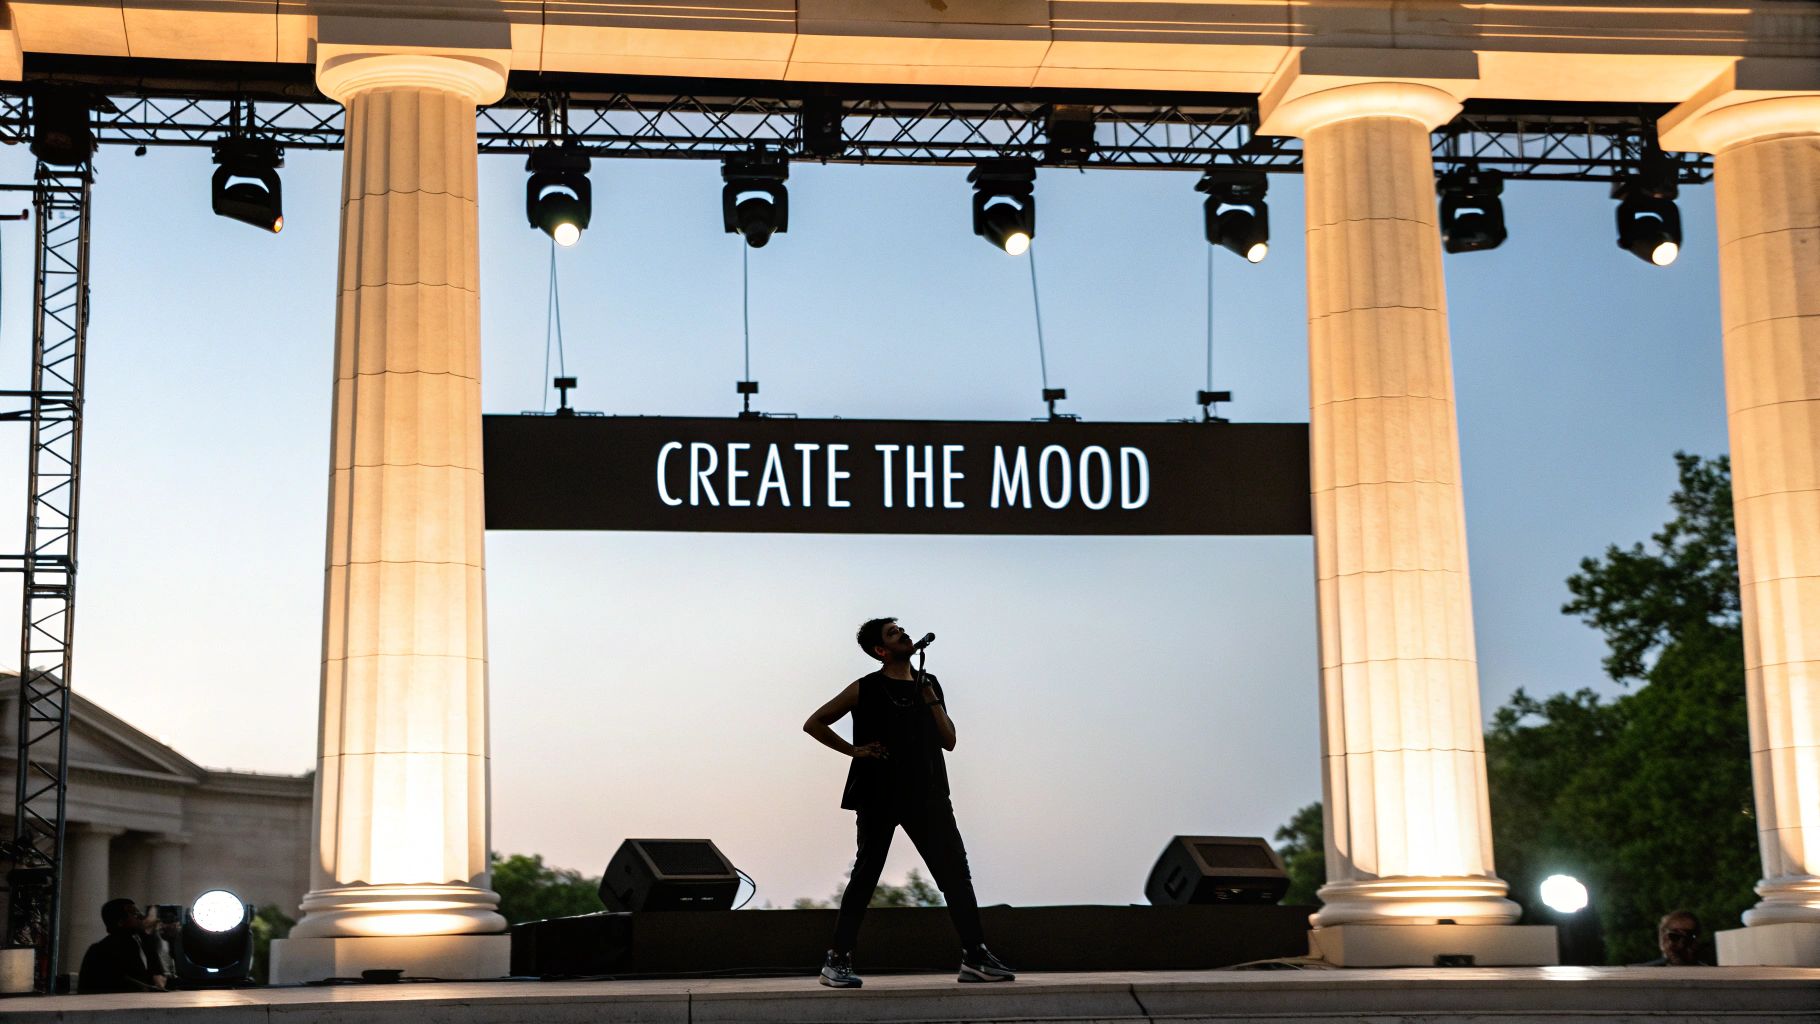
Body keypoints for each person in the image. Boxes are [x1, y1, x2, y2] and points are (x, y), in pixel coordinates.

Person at [803, 617, 1014, 988]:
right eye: (893, 633)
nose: (903, 634)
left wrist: (929, 694)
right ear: (880, 651)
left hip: (928, 793)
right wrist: (854, 750)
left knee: (955, 874)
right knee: (866, 874)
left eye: (901, 629)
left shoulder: (928, 684)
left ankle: (975, 957)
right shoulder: (865, 688)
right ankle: (836, 961)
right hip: (879, 792)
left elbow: (949, 739)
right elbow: (815, 723)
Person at [76, 898, 162, 993]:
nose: (141, 916)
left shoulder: (140, 942)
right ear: (120, 922)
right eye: (134, 913)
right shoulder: (102, 951)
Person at [1638, 909, 1707, 966]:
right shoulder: (1642, 973)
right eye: (1675, 937)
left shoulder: (1709, 974)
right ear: (1662, 939)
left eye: (1689, 937)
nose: (1681, 944)